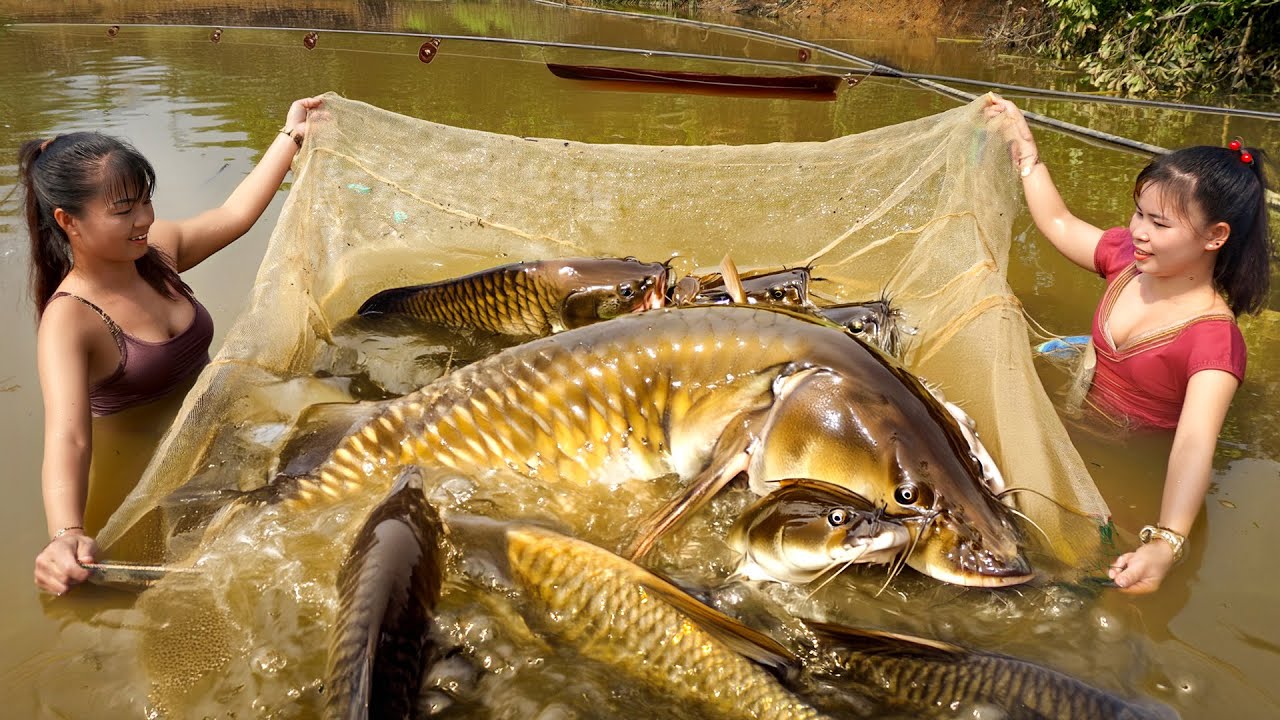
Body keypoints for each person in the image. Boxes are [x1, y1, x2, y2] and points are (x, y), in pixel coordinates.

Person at [23, 96, 324, 596]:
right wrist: (66, 535)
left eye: (145, 200)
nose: (143, 218)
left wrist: (291, 136)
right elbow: (69, 439)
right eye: (123, 210)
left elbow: (235, 214)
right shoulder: (70, 319)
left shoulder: (155, 252)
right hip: (154, 473)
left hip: (223, 432)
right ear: (67, 221)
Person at [984, 95, 1272, 594]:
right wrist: (1024, 150)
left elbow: (1193, 443)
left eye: (1160, 224)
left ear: (1215, 236)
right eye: (1139, 213)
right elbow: (1059, 224)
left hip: (1121, 461)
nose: (1138, 231)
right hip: (1074, 425)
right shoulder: (1126, 262)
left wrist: (1167, 541)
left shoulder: (1212, 342)